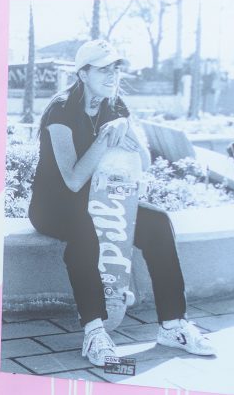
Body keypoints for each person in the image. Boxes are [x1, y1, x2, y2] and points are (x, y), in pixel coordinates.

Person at [27, 39, 216, 367]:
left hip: (100, 201)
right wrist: (105, 137)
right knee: (85, 232)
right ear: (83, 74)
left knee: (158, 224)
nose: (113, 75)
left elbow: (144, 162)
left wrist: (125, 129)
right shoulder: (61, 111)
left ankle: (172, 325)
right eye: (103, 69)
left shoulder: (115, 106)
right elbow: (73, 179)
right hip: (53, 204)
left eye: (115, 68)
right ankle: (95, 332)